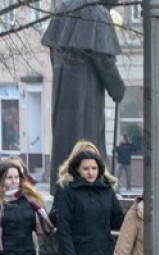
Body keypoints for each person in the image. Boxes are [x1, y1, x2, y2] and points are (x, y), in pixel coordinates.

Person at [42, 0, 125, 188]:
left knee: (65, 144)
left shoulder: (63, 7)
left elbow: (53, 53)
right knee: (88, 140)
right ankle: (92, 186)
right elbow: (103, 58)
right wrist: (117, 87)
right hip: (85, 94)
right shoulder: (95, 11)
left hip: (64, 91)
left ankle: (62, 187)